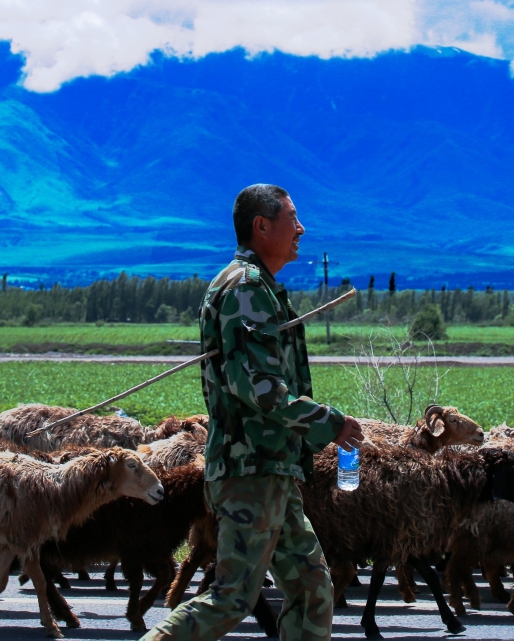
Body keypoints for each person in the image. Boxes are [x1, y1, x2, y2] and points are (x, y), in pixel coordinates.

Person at [142, 184, 364, 641]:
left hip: (271, 469)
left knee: (311, 588)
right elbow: (259, 388)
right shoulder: (245, 288)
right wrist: (331, 423)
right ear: (261, 226)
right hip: (251, 472)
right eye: (292, 218)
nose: (301, 229)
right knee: (233, 597)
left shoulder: (258, 286)